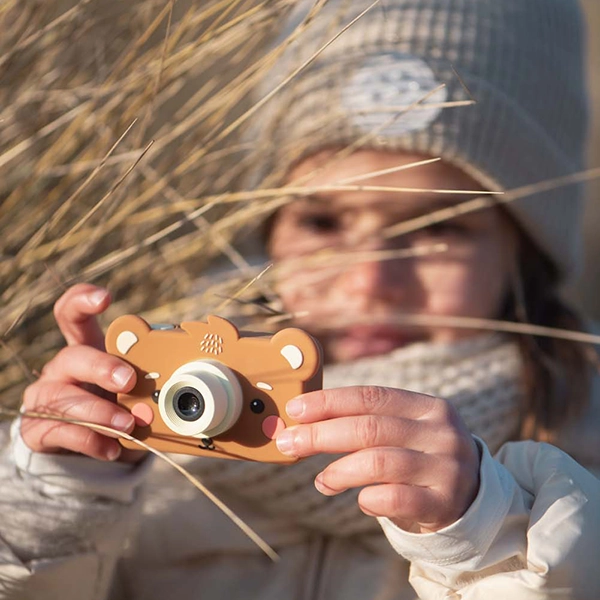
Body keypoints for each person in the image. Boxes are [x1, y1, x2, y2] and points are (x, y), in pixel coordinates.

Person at [1, 0, 599, 598]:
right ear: (268, 230)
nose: (367, 283)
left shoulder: (575, 466)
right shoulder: (157, 411)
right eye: (322, 221)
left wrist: (485, 532)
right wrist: (58, 493)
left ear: (526, 250)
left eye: (438, 227)